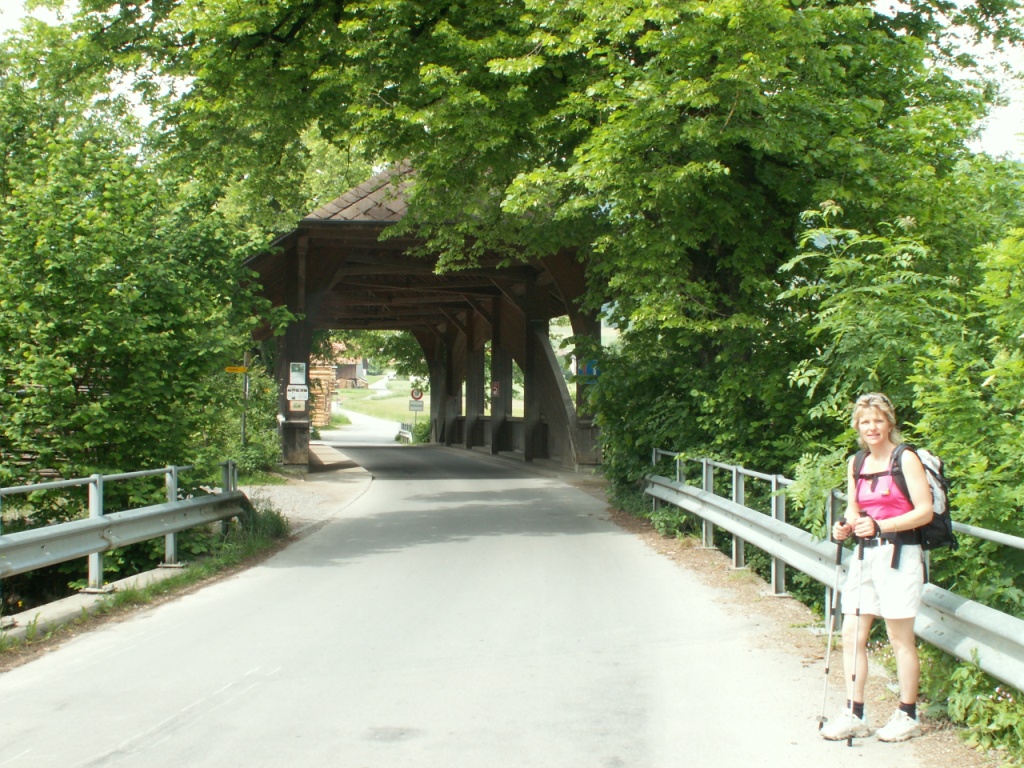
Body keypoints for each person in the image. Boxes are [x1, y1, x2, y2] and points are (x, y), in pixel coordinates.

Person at [820, 393, 934, 743]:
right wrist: (846, 525)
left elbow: (924, 511)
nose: (872, 427)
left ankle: (907, 714)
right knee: (852, 634)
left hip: (900, 555)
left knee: (900, 637)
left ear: (889, 424)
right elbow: (855, 510)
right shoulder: (857, 463)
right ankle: (855, 713)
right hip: (864, 555)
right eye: (865, 421)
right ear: (858, 426)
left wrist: (883, 526)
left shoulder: (906, 459)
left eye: (878, 420)